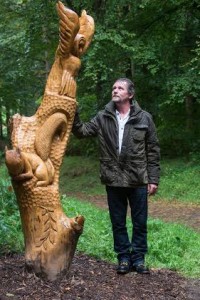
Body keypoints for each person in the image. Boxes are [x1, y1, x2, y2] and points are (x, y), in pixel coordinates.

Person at [72, 78, 160, 275]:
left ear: (130, 94)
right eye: (114, 88)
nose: (115, 90)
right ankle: (123, 258)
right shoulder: (103, 117)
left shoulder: (145, 118)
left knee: (140, 222)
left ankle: (138, 259)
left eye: (120, 88)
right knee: (118, 221)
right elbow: (82, 131)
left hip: (138, 179)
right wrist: (73, 111)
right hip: (113, 179)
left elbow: (153, 150)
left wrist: (153, 178)